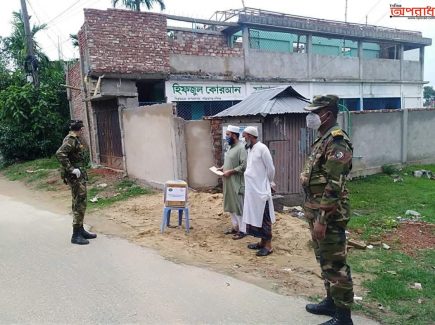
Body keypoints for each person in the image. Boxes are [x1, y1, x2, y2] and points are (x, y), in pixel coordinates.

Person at [300, 95, 354, 325]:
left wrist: (322, 219)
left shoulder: (337, 142)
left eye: (315, 111)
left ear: (328, 114)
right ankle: (331, 302)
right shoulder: (323, 139)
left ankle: (343, 317)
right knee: (324, 260)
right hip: (317, 211)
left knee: (336, 264)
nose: (311, 116)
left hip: (330, 215)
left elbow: (334, 184)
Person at [56, 120, 97, 245]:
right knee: (79, 202)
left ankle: (80, 230)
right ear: (79, 129)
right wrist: (71, 169)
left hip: (79, 175)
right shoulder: (71, 139)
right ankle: (76, 235)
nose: (82, 131)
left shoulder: (75, 138)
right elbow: (60, 153)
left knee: (81, 202)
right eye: (82, 129)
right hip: (75, 176)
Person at [242, 126, 276, 257]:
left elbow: (271, 168)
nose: (244, 139)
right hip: (252, 191)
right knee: (256, 216)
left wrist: (269, 182)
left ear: (250, 136)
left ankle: (268, 246)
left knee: (264, 217)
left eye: (245, 136)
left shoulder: (262, 148)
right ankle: (262, 242)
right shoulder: (251, 149)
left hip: (261, 190)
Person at [219, 125, 247, 240]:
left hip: (236, 182)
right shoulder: (230, 147)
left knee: (238, 206)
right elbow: (229, 161)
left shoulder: (241, 148)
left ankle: (243, 230)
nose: (226, 137)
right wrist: (222, 168)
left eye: (228, 135)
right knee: (230, 205)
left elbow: (243, 166)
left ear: (234, 136)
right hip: (228, 181)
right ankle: (235, 227)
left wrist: (231, 171)